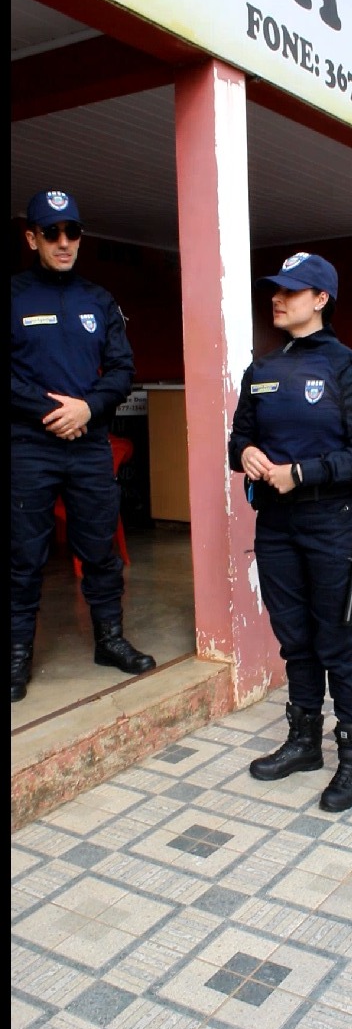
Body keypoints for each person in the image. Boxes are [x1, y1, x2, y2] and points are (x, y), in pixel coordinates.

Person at [228, 251, 352, 812]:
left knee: (338, 642)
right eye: (275, 290)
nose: (277, 299)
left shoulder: (349, 370)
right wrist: (245, 453)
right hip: (276, 524)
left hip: (333, 524)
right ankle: (304, 743)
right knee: (294, 638)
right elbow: (238, 438)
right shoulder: (262, 370)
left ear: (321, 299)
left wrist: (300, 473)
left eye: (291, 292)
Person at [11, 189, 156, 703]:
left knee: (100, 547)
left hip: (89, 444)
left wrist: (87, 410)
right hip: (29, 444)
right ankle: (17, 655)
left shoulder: (99, 300)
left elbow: (121, 369)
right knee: (22, 554)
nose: (64, 242)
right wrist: (53, 412)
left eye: (72, 231)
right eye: (51, 232)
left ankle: (109, 640)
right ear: (32, 238)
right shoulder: (14, 296)